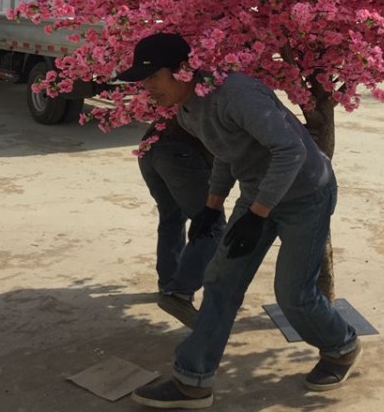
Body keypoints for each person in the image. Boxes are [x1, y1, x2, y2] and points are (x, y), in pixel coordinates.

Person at [118, 33, 360, 409]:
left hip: (306, 194)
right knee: (220, 281)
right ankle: (192, 380)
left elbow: (290, 150)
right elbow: (226, 154)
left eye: (152, 77)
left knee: (294, 295)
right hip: (258, 195)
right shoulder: (187, 109)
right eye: (143, 80)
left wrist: (256, 215)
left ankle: (341, 346)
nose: (147, 87)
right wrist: (211, 207)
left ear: (182, 70)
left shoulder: (236, 94)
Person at [138, 116, 225, 328]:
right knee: (212, 226)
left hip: (149, 148)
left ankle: (168, 283)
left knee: (172, 217)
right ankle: (179, 292)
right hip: (181, 153)